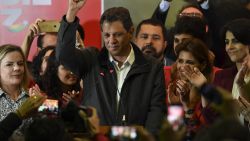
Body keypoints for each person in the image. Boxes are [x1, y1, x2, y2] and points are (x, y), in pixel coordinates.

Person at [56, 0, 166, 134]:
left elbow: (156, 111)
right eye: (107, 35)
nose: (111, 41)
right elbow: (63, 57)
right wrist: (71, 14)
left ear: (130, 32)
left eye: (117, 34)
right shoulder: (92, 59)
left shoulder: (152, 67)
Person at [214, 18, 250, 124]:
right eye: (227, 42)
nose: (229, 47)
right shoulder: (224, 76)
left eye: (235, 41)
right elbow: (214, 119)